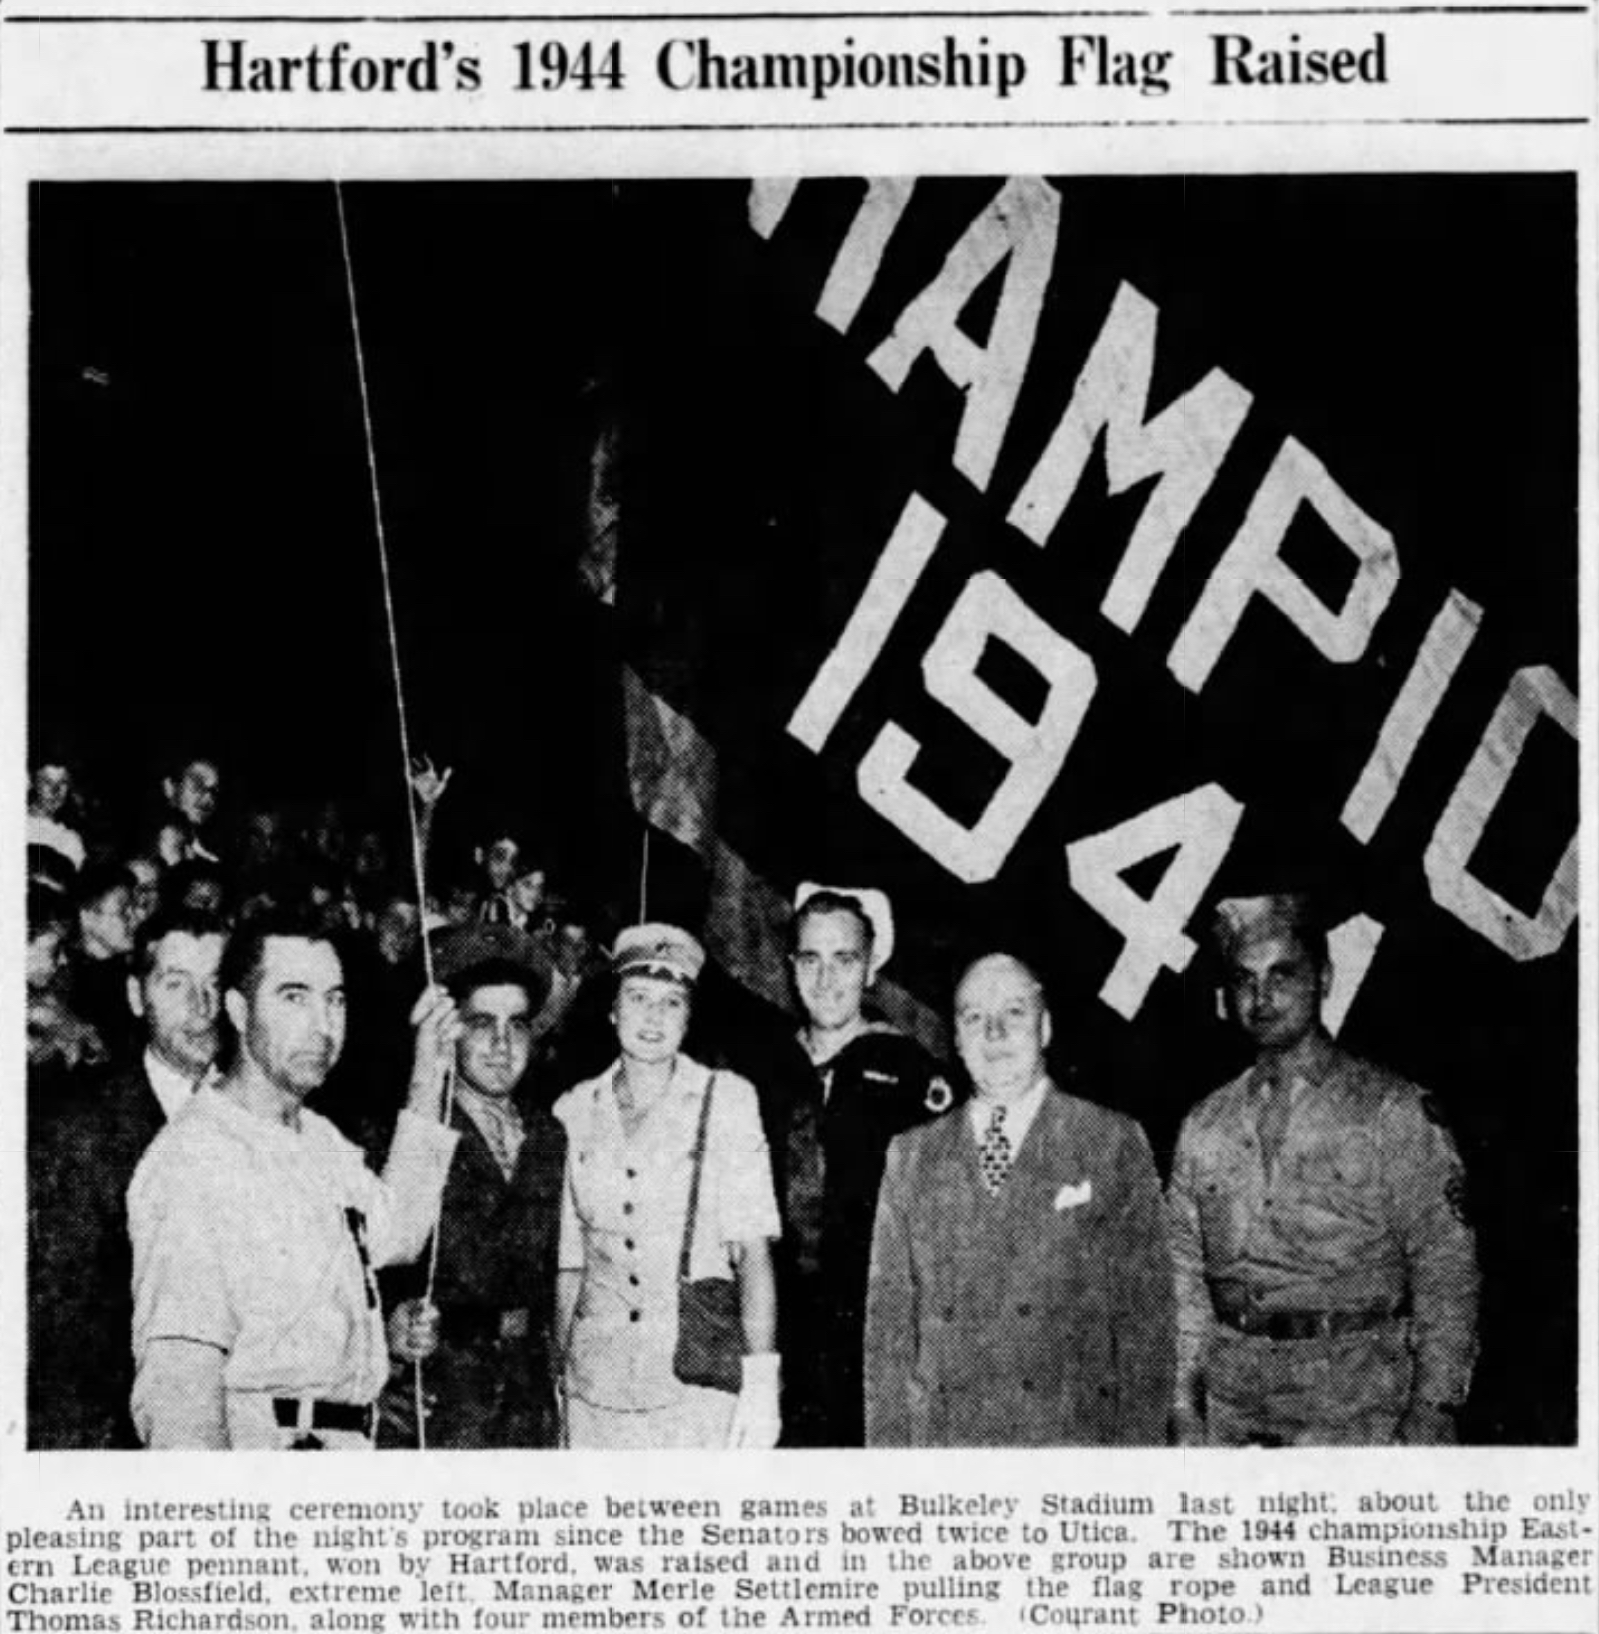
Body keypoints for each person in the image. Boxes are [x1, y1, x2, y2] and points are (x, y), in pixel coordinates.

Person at [127, 900, 461, 1449]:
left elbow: (396, 1233)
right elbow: (179, 1396)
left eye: (335, 1000)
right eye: (294, 997)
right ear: (237, 1010)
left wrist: (428, 1073)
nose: (323, 1025)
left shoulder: (317, 1135)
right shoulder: (194, 1159)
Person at [1167, 893, 1479, 1447]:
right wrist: (1184, 1407)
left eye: (1282, 975)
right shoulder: (1205, 1124)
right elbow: (1184, 1278)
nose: (1262, 998)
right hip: (1233, 1408)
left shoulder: (1390, 1110)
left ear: (1325, 979)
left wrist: (1435, 1406)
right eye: (1244, 980)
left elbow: (1445, 1264)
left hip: (1357, 1404)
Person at [865, 953, 1174, 1447]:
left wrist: (1135, 1469)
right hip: (948, 1453)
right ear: (957, 1040)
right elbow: (888, 1337)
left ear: (1045, 1026)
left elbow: (1146, 1328)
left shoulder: (1110, 1142)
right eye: (974, 1018)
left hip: (1068, 1449)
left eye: (1013, 1013)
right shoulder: (912, 1156)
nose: (994, 1033)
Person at [554, 924, 782, 1449]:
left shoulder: (727, 1100)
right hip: (596, 1391)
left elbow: (753, 1255)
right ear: (612, 1010)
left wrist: (762, 1384)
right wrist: (560, 1382)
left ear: (688, 1018)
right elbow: (570, 1267)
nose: (653, 1017)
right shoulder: (572, 1111)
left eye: (672, 1001)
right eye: (637, 998)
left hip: (694, 1391)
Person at [29, 906, 227, 1448]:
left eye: (215, 983)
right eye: (175, 983)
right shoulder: (75, 1133)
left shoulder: (271, 1120)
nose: (201, 1007)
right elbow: (61, 1336)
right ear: (138, 998)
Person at [767, 883, 952, 1447]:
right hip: (778, 1337)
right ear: (791, 967)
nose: (826, 980)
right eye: (811, 959)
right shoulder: (763, 1068)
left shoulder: (913, 1075)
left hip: (877, 1342)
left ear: (870, 968)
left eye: (844, 960)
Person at [380, 924, 567, 1448]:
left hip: (531, 1398)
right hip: (440, 1399)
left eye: (518, 1025)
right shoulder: (413, 1129)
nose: (502, 1045)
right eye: (482, 1023)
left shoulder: (552, 1136)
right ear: (449, 1029)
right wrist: (393, 1325)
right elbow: (371, 1257)